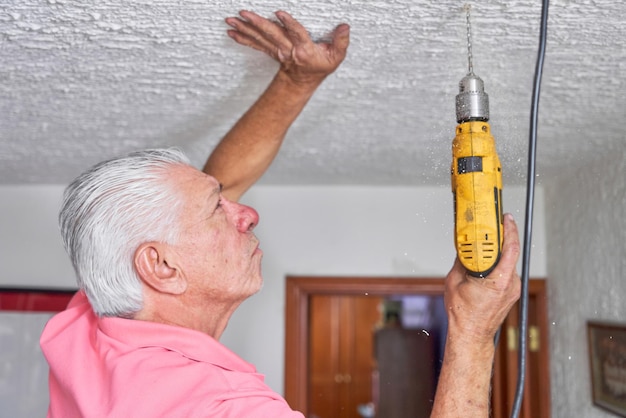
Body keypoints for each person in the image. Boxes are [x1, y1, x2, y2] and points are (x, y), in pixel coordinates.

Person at [40, 10, 520, 418]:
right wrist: (474, 331)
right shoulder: (222, 408)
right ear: (161, 267)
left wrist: (296, 80)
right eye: (218, 209)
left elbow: (209, 191)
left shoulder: (96, 328)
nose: (247, 212)